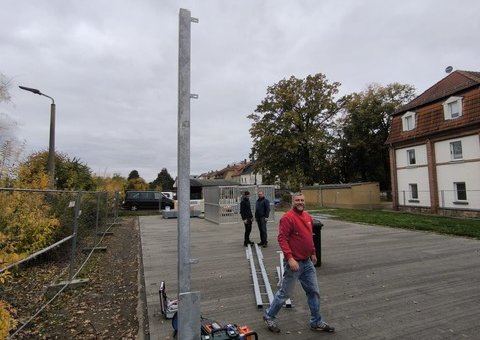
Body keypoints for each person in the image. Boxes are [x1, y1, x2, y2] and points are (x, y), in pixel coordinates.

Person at [263, 193, 335, 333]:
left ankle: (316, 322)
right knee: (284, 294)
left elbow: (309, 236)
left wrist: (313, 252)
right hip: (293, 264)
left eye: (302, 200)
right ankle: (269, 316)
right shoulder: (287, 218)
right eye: (297, 200)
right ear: (292, 202)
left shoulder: (307, 216)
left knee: (314, 292)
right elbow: (282, 239)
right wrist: (289, 258)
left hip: (307, 262)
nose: (300, 202)